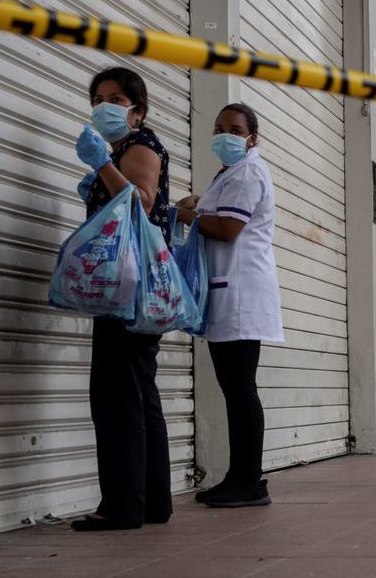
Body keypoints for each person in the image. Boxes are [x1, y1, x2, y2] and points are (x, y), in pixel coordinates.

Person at [70, 67, 173, 531]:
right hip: (137, 284)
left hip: (126, 285)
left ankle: (122, 506)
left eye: (115, 98)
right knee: (137, 392)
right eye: (97, 97)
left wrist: (102, 168)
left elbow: (142, 202)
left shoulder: (140, 147)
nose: (103, 105)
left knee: (116, 396)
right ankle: (151, 501)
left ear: (138, 109)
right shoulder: (128, 149)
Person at [174, 102, 284, 508]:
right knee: (234, 389)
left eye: (236, 129)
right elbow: (221, 212)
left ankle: (250, 482)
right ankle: (238, 477)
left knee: (240, 389)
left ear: (253, 137)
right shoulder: (235, 172)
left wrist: (185, 214)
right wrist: (201, 203)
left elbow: (228, 228)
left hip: (240, 293)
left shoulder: (249, 171)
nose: (226, 135)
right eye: (219, 127)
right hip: (230, 291)